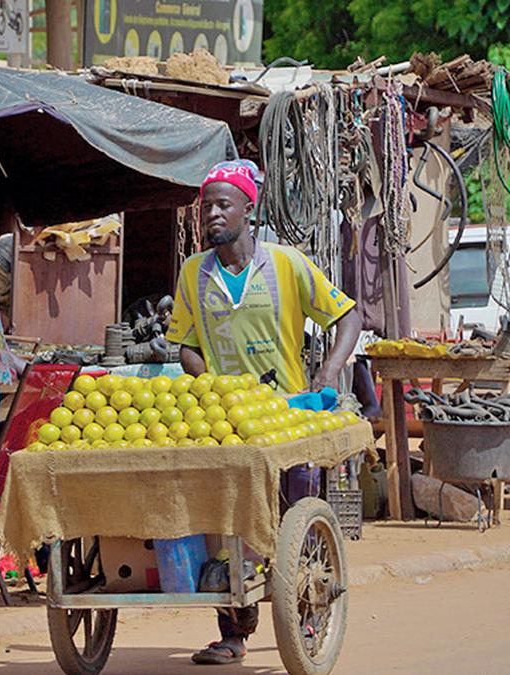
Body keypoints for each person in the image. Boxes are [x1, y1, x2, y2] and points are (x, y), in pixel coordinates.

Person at [165, 160, 362, 665]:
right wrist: (204, 376)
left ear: (247, 211)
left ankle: (305, 618)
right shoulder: (193, 273)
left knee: (289, 521)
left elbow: (347, 315)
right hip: (228, 420)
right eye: (206, 206)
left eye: (222, 205)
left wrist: (328, 374)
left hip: (288, 415)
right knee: (229, 525)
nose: (211, 215)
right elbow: (184, 343)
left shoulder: (286, 265)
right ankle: (234, 631)